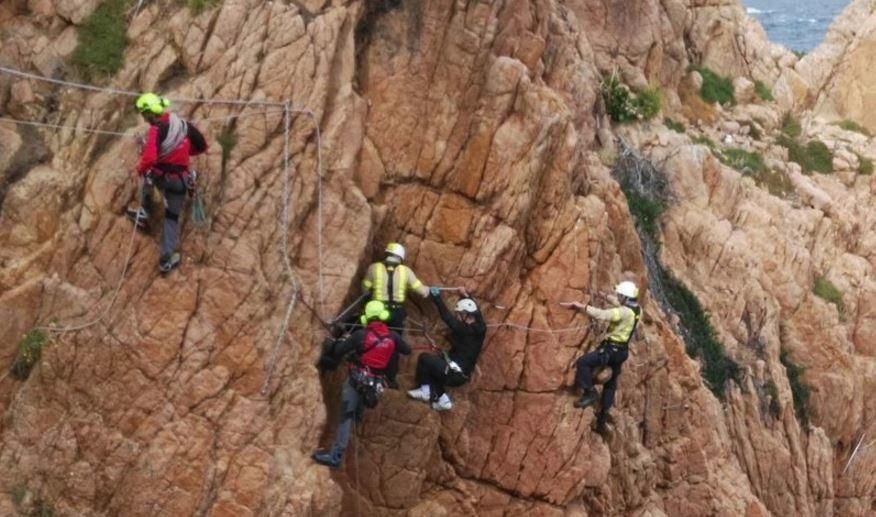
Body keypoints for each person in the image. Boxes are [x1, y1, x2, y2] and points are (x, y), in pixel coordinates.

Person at [312, 300, 410, 468]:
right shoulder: (393, 337)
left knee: (345, 416)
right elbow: (407, 350)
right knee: (360, 402)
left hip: (356, 379)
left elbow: (338, 351)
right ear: (382, 316)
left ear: (367, 317)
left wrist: (339, 341)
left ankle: (335, 457)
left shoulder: (361, 336)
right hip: (376, 382)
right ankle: (358, 416)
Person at [126, 92, 208, 274]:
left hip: (162, 178)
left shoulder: (156, 130)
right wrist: (184, 153)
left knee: (148, 172)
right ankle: (166, 260)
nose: (144, 119)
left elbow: (149, 158)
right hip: (181, 182)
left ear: (149, 113)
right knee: (171, 218)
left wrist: (139, 170)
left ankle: (144, 212)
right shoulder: (184, 126)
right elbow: (202, 146)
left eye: (144, 114)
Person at [564, 281, 642, 434]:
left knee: (583, 362)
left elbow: (603, 315)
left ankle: (589, 392)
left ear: (626, 298)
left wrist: (581, 307)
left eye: (620, 295)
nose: (618, 297)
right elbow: (620, 305)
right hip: (622, 352)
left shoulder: (623, 313)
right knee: (611, 384)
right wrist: (605, 297)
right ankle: (603, 416)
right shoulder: (638, 310)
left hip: (610, 350)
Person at [360, 242, 430, 386]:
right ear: (401, 257)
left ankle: (368, 372)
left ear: (387, 253)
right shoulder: (406, 271)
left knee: (371, 339)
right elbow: (422, 291)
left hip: (377, 312)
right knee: (393, 344)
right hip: (396, 313)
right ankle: (390, 378)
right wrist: (428, 290)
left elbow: (365, 289)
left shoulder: (374, 268)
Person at [407, 288, 486, 411]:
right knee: (434, 369)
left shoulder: (464, 330)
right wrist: (466, 295)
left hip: (453, 374)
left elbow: (448, 318)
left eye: (460, 314)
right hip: (460, 374)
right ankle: (443, 400)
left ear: (466, 315)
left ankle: (425, 390)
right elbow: (476, 311)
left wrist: (437, 299)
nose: (458, 317)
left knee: (424, 359)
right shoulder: (481, 327)